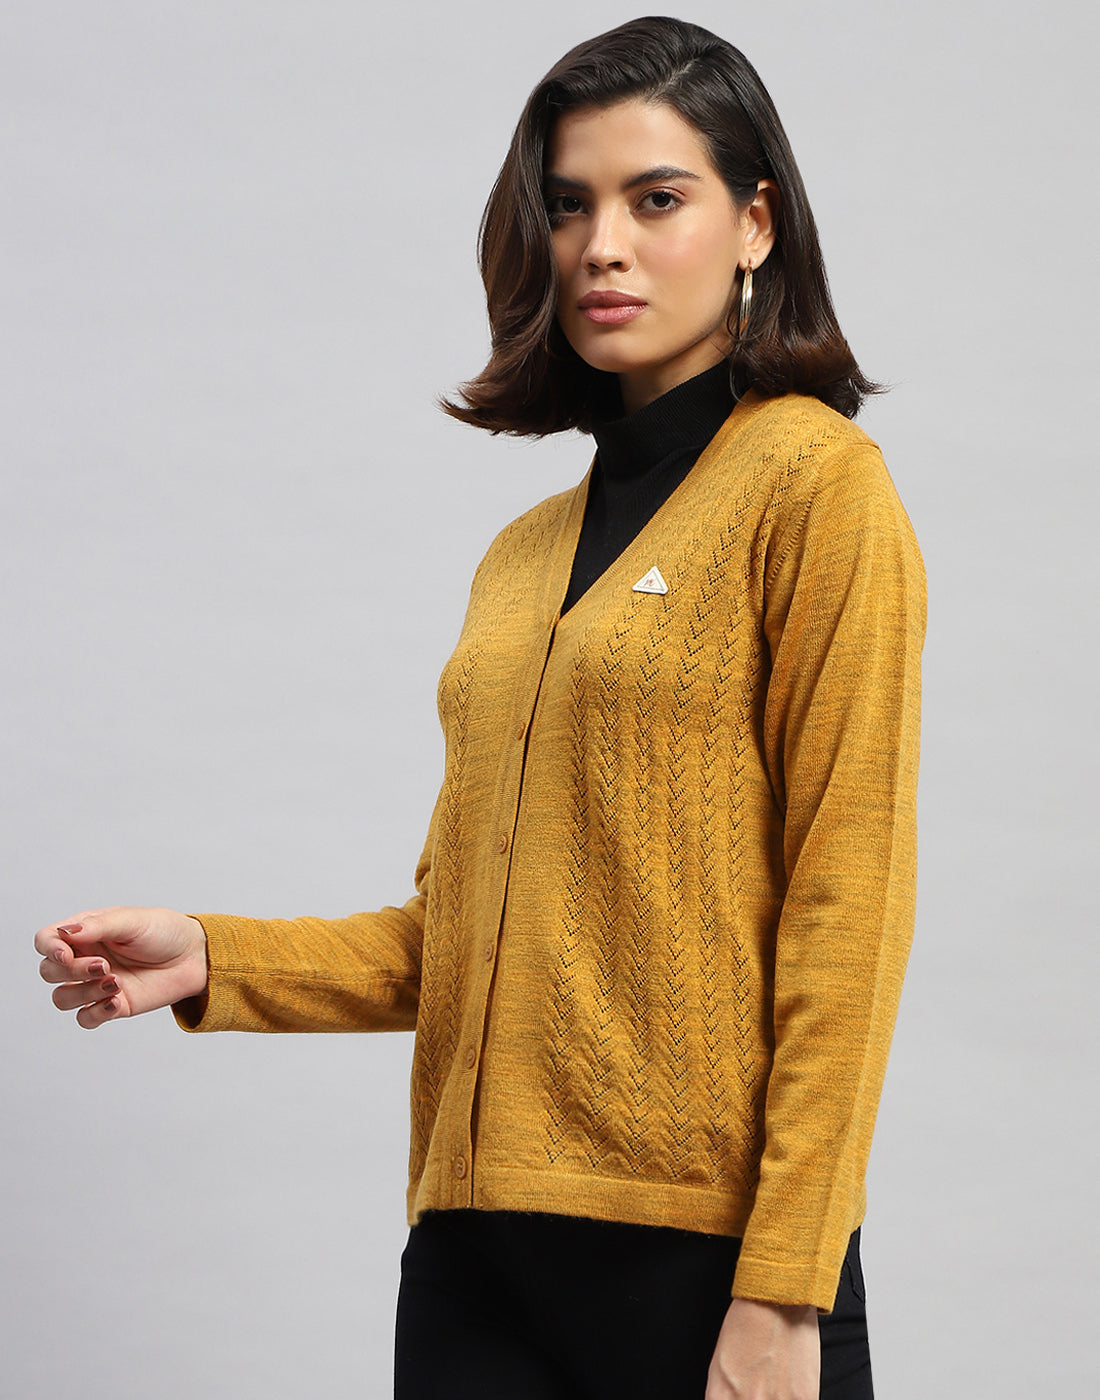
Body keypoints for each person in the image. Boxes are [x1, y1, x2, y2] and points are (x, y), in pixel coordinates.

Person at [33, 16, 925, 1400]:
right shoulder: (521, 559)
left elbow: (847, 913)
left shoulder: (816, 487)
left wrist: (785, 1288)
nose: (602, 246)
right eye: (569, 206)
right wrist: (210, 956)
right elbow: (467, 938)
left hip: (702, 1264)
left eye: (656, 199)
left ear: (755, 224)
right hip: (471, 1262)